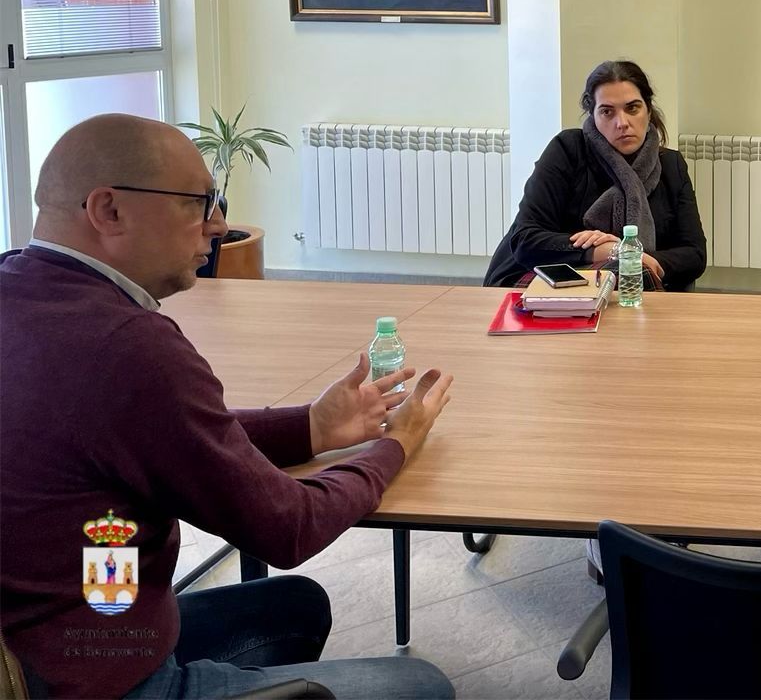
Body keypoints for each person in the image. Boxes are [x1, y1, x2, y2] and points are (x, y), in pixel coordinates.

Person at [0, 114, 456, 700]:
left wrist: (310, 428)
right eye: (198, 202)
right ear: (108, 210)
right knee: (422, 686)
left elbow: (162, 431)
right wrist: (396, 445)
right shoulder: (127, 344)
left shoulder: (21, 287)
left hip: (54, 636)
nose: (217, 224)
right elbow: (288, 528)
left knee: (296, 607)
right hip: (84, 679)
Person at [484, 60, 706, 293]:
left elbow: (694, 254)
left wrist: (633, 260)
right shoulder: (567, 150)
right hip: (545, 277)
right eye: (607, 112)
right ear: (593, 116)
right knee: (633, 274)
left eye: (632, 108)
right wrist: (611, 250)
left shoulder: (671, 165)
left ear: (648, 111)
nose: (622, 123)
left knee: (634, 274)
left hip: (633, 283)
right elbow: (525, 239)